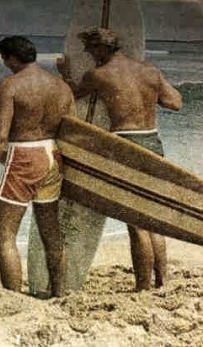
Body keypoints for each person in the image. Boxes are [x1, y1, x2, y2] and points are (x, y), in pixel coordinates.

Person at [58, 27, 182, 291]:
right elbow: (175, 103)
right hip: (153, 143)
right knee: (153, 218)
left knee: (135, 223)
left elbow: (72, 94)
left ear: (102, 48)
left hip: (125, 146)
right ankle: (162, 280)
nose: (90, 56)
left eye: (91, 50)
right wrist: (146, 97)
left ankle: (142, 287)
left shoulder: (98, 75)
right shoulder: (150, 70)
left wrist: (64, 72)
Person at [0, 36, 74, 298]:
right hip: (53, 155)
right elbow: (72, 131)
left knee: (3, 233)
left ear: (13, 58)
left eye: (4, 59)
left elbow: (0, 136)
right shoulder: (61, 87)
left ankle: (14, 297)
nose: (5, 65)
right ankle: (59, 293)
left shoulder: (11, 85)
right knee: (50, 231)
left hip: (24, 156)